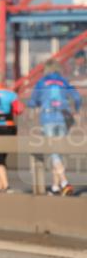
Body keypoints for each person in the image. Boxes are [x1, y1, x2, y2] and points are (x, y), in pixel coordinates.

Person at [28, 60, 82, 196]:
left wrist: (34, 108)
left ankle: (64, 182)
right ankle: (55, 187)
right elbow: (77, 97)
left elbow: (33, 100)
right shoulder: (64, 81)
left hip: (48, 118)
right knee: (58, 152)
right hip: (63, 118)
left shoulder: (42, 82)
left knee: (53, 151)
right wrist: (76, 109)